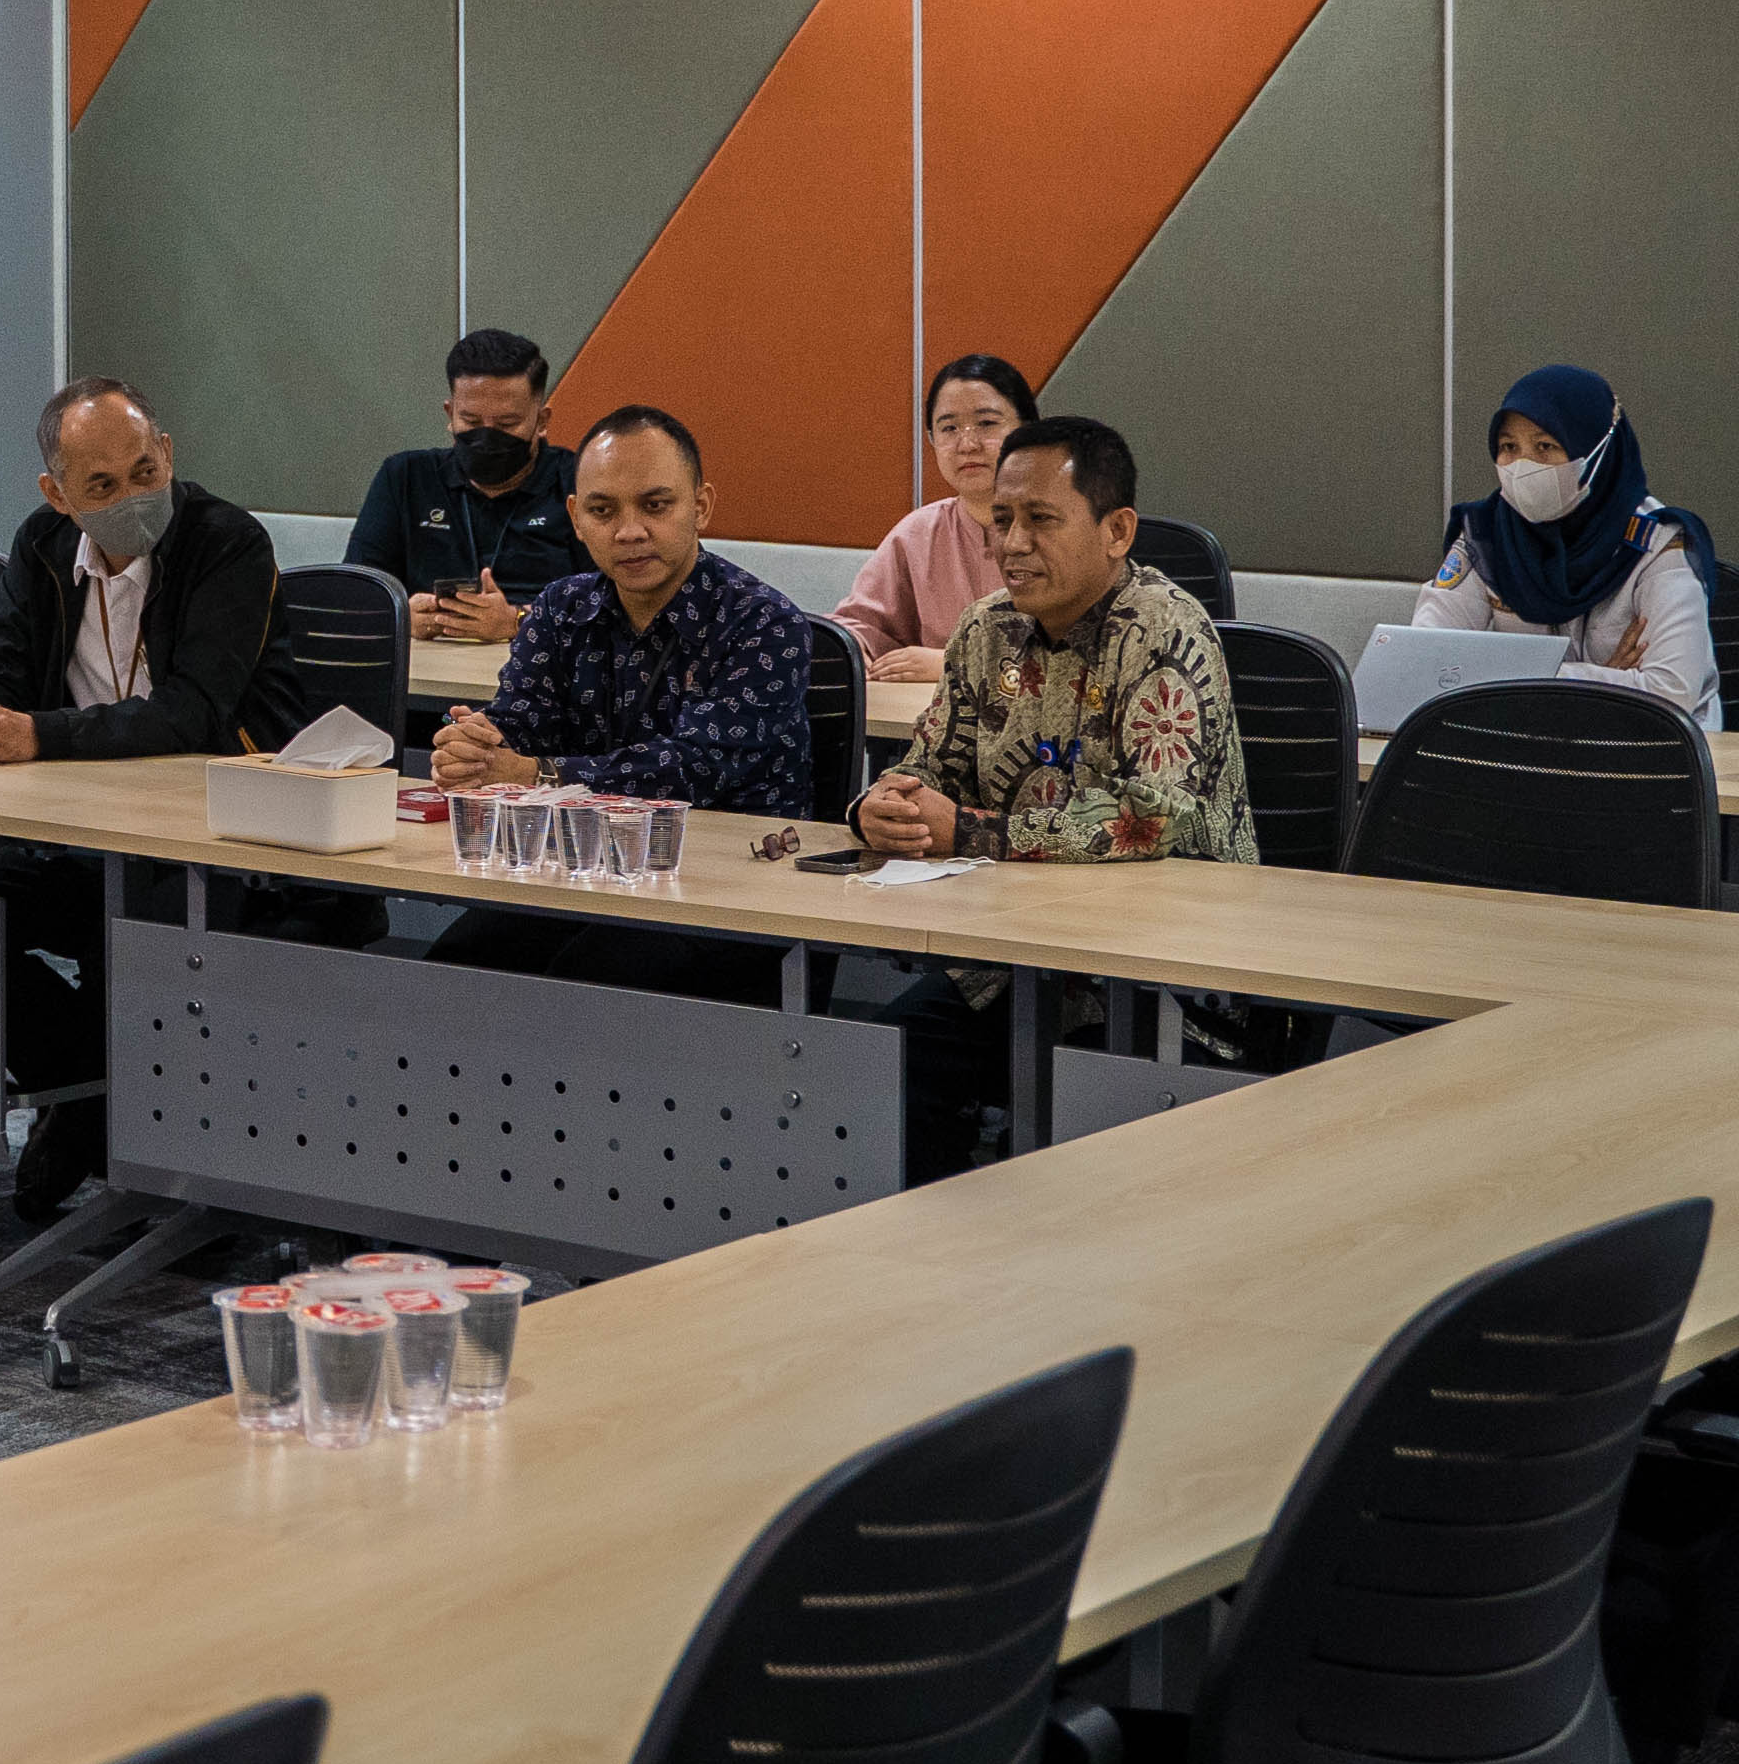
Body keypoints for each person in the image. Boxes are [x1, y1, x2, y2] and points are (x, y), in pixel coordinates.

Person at [0, 381, 350, 1216]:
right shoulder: (42, 544)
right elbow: (3, 667)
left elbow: (196, 711)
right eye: (101, 486)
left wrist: (43, 734)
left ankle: (171, 1162)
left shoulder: (227, 542)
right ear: (57, 494)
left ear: (167, 452)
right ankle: (90, 1095)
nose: (132, 497)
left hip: (218, 838)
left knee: (148, 941)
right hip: (81, 829)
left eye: (144, 471)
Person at [847, 414, 1250, 1177]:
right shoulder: (984, 631)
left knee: (1089, 1140)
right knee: (884, 1068)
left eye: (1040, 519)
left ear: (1117, 530)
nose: (1013, 543)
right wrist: (883, 807)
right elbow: (930, 767)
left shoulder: (1162, 631)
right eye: (1001, 520)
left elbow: (1151, 817)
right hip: (1017, 965)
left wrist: (969, 831)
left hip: (1159, 977)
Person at [424, 407, 824, 992]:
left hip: (729, 883)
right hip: (580, 863)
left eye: (655, 506)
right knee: (456, 966)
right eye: (603, 511)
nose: (629, 531)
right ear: (575, 519)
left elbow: (695, 768)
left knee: (588, 980)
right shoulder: (560, 608)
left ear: (701, 507)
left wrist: (537, 774)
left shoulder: (761, 622)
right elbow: (520, 722)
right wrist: (474, 746)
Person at [1413, 363, 1721, 726]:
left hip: (1652, 749)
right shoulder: (1487, 535)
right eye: (1509, 447)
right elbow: (1423, 660)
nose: (1523, 465)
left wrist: (1522, 678)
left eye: (1545, 446)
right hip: (1527, 742)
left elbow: (1670, 693)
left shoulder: (1657, 543)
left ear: (1595, 452)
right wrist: (1601, 683)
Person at [344, 330, 581, 646]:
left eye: (507, 424)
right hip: (427, 665)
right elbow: (354, 593)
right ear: (450, 414)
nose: (487, 438)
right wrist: (398, 615)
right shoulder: (404, 477)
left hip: (544, 662)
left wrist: (519, 620)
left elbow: (616, 603)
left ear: (541, 421)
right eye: (471, 421)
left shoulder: (579, 481)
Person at [835, 354, 1039, 684]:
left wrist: (955, 661)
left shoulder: (1065, 527)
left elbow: (1086, 650)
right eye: (949, 428)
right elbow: (859, 627)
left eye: (987, 424)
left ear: (1028, 431)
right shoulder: (918, 533)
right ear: (932, 440)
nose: (967, 444)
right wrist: (851, 652)